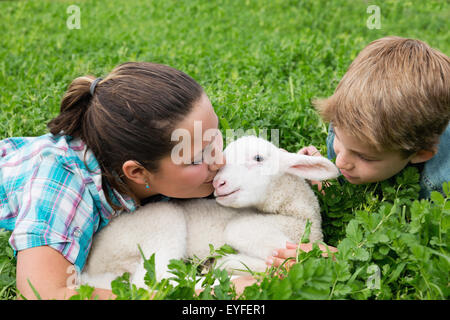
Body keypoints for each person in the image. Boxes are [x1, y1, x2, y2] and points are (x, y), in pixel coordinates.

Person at [0, 62, 227, 299]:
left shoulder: (180, 156)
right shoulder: (62, 184)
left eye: (215, 136)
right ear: (138, 172)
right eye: (197, 157)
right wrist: (211, 294)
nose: (219, 160)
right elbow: (42, 293)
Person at [268, 36, 450, 269]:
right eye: (339, 140)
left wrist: (343, 257)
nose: (342, 161)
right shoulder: (347, 126)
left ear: (420, 154)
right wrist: (326, 178)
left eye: (365, 157)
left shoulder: (441, 184)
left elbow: (424, 256)